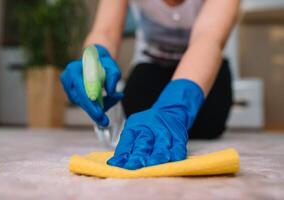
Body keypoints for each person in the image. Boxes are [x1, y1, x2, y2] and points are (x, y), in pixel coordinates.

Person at [60, 0, 240, 170]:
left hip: (203, 71)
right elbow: (105, 30)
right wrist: (95, 58)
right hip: (151, 65)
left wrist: (174, 108)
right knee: (136, 116)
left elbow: (207, 38)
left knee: (210, 124)